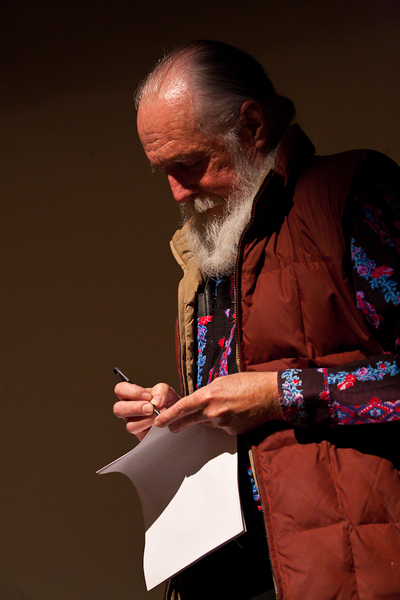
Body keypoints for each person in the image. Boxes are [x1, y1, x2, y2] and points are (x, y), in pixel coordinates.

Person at [113, 40, 400, 600]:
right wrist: (184, 417)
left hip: (354, 571)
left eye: (189, 164)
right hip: (241, 573)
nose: (176, 190)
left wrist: (278, 394)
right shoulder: (213, 252)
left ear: (252, 125)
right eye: (162, 172)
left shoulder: (352, 196)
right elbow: (242, 412)